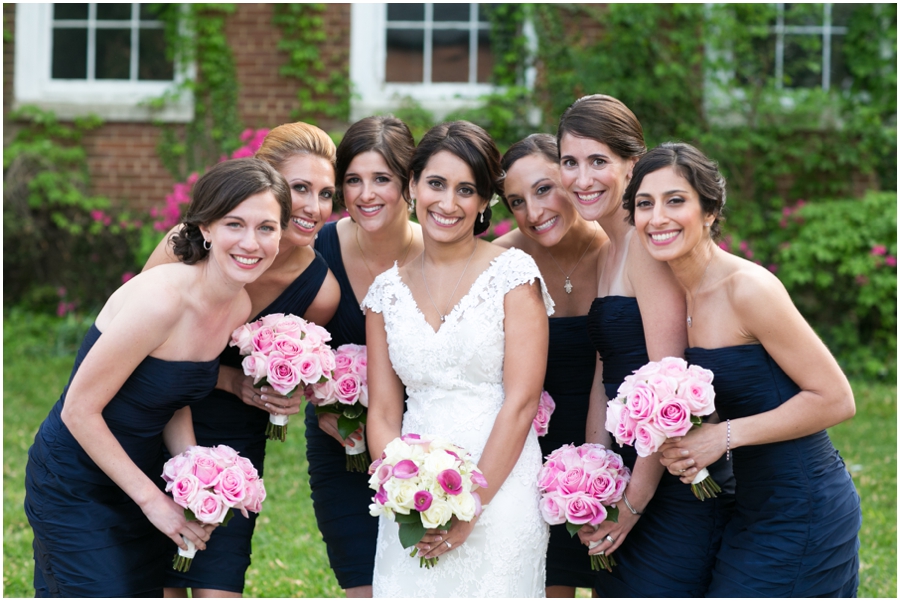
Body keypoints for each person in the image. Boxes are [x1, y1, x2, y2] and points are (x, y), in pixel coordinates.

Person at [24, 158, 292, 597]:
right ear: (205, 228)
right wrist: (154, 503)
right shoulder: (160, 302)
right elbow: (79, 409)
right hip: (77, 481)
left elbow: (173, 394)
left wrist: (196, 478)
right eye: (234, 224)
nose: (251, 242)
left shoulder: (239, 306)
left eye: (266, 227)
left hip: (145, 475)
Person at [625, 142, 861, 597]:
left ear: (710, 211)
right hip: (751, 506)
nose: (657, 218)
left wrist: (721, 436)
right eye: (644, 204)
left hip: (804, 504)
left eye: (676, 201)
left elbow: (837, 398)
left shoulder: (748, 289)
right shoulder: (680, 291)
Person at [143, 122, 341, 597]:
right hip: (155, 418)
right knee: (155, 581)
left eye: (326, 193)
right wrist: (232, 379)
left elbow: (302, 386)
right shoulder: (188, 245)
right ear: (266, 182)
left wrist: (294, 392)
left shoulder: (321, 291)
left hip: (234, 442)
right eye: (299, 189)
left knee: (219, 582)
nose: (313, 207)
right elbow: (137, 350)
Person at [364, 120, 553, 597]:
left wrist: (472, 505)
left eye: (466, 190)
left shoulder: (513, 275)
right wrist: (404, 494)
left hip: (500, 486)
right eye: (436, 184)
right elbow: (384, 412)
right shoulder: (385, 293)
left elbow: (522, 401)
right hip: (414, 496)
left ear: (484, 200)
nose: (448, 204)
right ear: (412, 186)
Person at [557, 94, 734, 597]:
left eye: (598, 162)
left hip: (673, 482)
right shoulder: (604, 249)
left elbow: (667, 387)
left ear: (632, 165)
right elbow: (603, 373)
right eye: (570, 162)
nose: (582, 178)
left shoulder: (647, 248)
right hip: (629, 473)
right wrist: (593, 472)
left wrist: (631, 506)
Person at [305, 115, 423, 597]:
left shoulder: (441, 251)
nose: (366, 194)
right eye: (353, 180)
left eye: (382, 179)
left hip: (423, 453)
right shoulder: (316, 248)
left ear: (408, 185)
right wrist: (318, 398)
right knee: (363, 584)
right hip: (341, 452)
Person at [493, 133, 606, 597]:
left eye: (543, 189)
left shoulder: (618, 249)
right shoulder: (500, 263)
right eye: (517, 201)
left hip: (616, 440)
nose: (533, 213)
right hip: (535, 450)